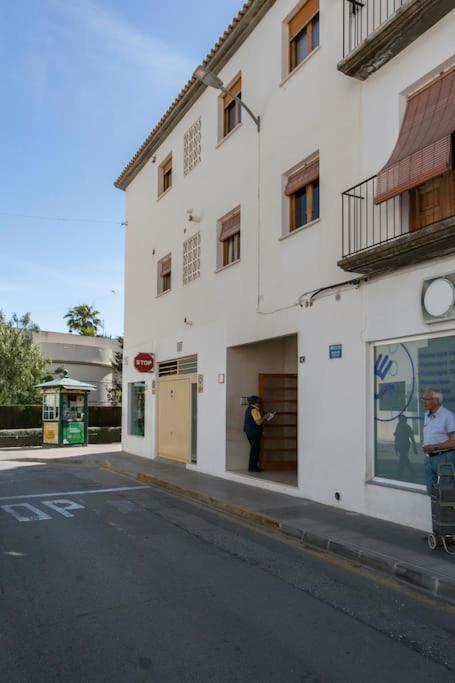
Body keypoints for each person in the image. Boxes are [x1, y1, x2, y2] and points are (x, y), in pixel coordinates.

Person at [421, 389, 455, 494]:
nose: (423, 402)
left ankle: (444, 511)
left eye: (427, 399)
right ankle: (435, 511)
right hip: (429, 459)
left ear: (436, 401)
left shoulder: (448, 416)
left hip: (443, 458)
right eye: (423, 399)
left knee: (445, 494)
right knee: (431, 492)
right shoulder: (426, 415)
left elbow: (454, 442)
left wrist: (434, 447)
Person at [243, 396, 273, 473]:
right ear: (255, 402)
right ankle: (253, 467)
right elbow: (258, 422)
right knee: (255, 450)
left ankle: (254, 466)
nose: (259, 403)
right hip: (254, 432)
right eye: (258, 401)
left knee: (254, 450)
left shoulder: (249, 409)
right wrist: (265, 417)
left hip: (250, 432)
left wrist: (265, 419)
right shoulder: (253, 410)